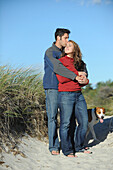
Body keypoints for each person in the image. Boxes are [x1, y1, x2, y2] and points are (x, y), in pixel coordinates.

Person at [43, 28, 88, 155]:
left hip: (66, 89)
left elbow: (79, 65)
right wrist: (75, 75)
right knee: (52, 117)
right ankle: (54, 146)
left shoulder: (66, 52)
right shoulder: (50, 52)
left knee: (70, 119)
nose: (68, 41)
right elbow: (58, 68)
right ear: (59, 38)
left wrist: (83, 76)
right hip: (52, 87)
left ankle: (71, 144)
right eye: (66, 38)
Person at [56, 40, 92, 157]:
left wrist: (84, 80)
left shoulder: (81, 63)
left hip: (78, 94)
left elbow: (85, 80)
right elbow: (61, 78)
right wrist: (77, 74)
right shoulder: (61, 62)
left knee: (84, 122)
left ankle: (79, 146)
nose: (66, 47)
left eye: (70, 45)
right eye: (65, 45)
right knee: (65, 124)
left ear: (75, 49)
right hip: (65, 94)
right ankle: (68, 150)